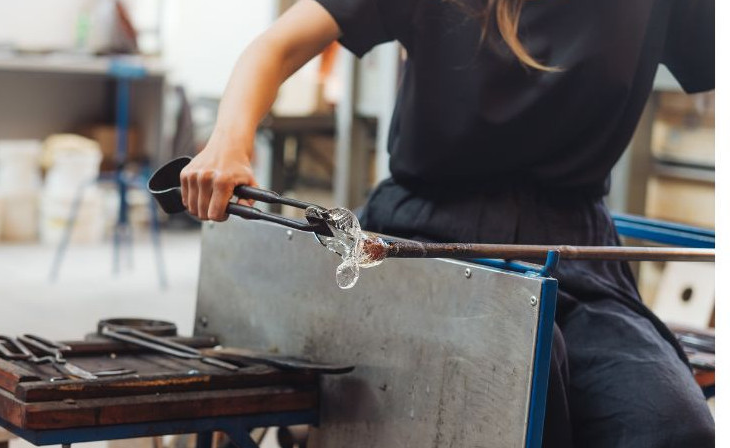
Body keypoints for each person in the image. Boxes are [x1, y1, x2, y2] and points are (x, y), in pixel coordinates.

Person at [179, 0, 715, 446]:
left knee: (672, 427)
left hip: (575, 250)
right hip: (430, 239)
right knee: (526, 385)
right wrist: (228, 141)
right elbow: (279, 44)